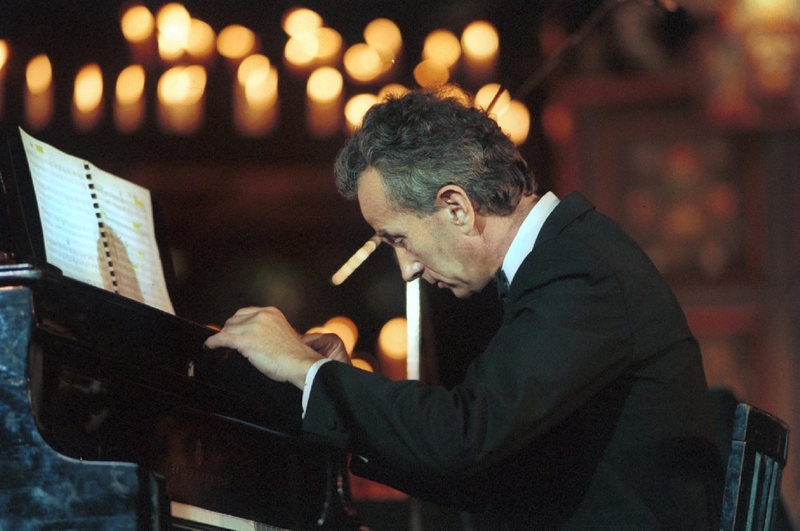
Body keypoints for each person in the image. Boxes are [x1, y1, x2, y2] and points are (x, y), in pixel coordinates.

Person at [205, 89, 723, 529]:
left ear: (456, 207)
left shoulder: (579, 269)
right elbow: (484, 467)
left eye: (399, 239)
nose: (407, 268)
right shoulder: (563, 258)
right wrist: (341, 386)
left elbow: (463, 439)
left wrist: (307, 369)